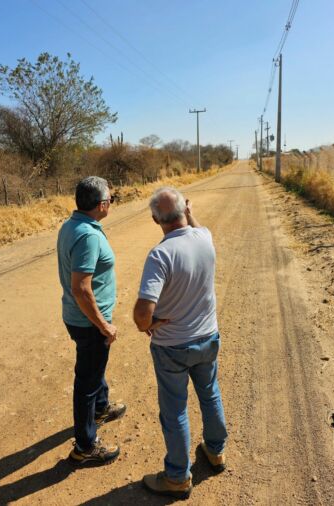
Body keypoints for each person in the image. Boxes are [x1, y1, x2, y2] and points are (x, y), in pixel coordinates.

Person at [133, 187, 228, 499]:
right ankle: (215, 452)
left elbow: (142, 313)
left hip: (172, 347)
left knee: (174, 411)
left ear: (154, 219)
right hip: (208, 337)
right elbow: (197, 228)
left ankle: (177, 477)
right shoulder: (205, 238)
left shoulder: (160, 255)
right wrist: (189, 210)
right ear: (184, 212)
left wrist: (149, 324)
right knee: (210, 394)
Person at [56, 176, 127, 466]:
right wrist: (103, 325)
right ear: (101, 204)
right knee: (87, 380)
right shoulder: (88, 235)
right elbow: (81, 288)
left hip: (79, 318)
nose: (111, 202)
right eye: (110, 199)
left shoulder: (73, 225)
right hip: (88, 322)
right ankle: (85, 446)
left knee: (95, 366)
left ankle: (100, 408)